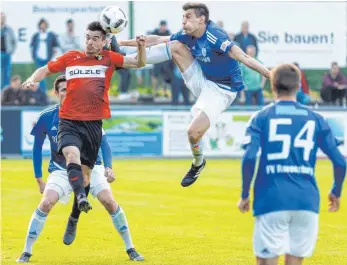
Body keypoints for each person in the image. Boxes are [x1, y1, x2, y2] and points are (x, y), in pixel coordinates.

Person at [119, 2, 270, 187]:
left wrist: (270, 75)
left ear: (201, 19)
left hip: (222, 90)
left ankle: (198, 163)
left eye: (188, 17)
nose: (183, 21)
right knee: (174, 45)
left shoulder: (215, 36)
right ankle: (121, 56)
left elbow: (244, 57)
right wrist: (121, 43)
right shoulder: (187, 34)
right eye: (183, 17)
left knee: (193, 132)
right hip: (202, 79)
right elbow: (157, 39)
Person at [22, 21, 147, 214]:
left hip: (93, 124)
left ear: (104, 41)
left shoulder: (109, 58)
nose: (89, 42)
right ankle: (80, 196)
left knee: (86, 176)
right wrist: (32, 79)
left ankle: (74, 215)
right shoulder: (71, 57)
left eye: (95, 38)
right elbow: (44, 70)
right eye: (87, 37)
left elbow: (139, 62)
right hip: (69, 121)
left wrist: (140, 45)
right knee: (72, 155)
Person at [16, 75, 144, 263]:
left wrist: (108, 167)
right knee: (45, 203)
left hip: (93, 166)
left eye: (71, 90)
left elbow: (105, 143)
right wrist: (39, 178)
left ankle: (131, 248)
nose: (68, 94)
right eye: (63, 90)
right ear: (56, 93)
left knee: (109, 201)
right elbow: (36, 148)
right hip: (60, 169)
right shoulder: (46, 117)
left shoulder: (88, 114)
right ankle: (26, 251)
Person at [238, 64, 346, 265]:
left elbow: (250, 157)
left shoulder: (261, 117)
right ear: (298, 87)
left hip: (271, 198)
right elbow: (340, 161)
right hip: (306, 201)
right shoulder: (317, 119)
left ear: (272, 86)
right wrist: (335, 191)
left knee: (266, 260)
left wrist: (245, 194)